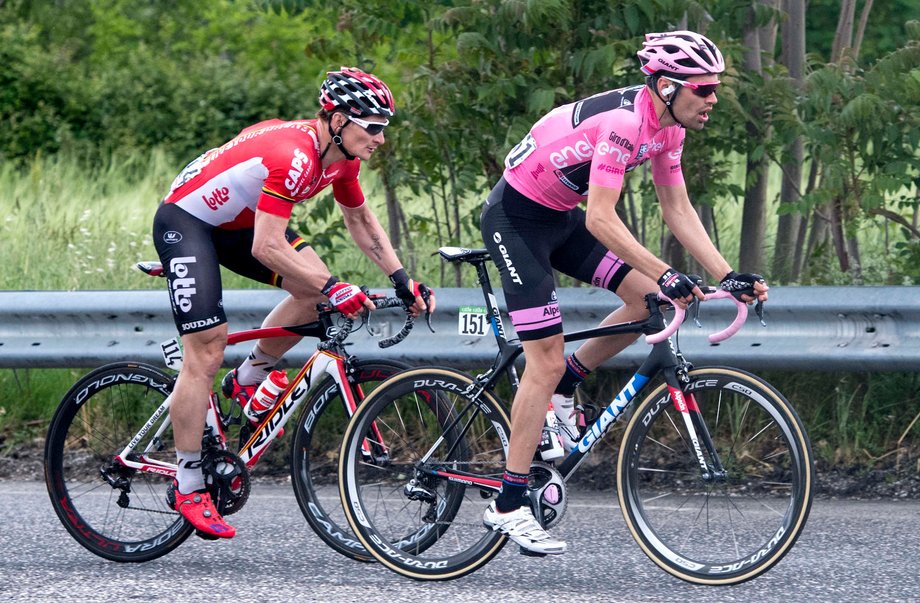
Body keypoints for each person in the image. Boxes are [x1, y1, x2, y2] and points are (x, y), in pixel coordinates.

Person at [479, 31, 768, 555]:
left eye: (715, 88)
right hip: (516, 220)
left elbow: (677, 210)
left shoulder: (668, 131)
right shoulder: (624, 125)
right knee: (541, 361)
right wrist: (667, 271)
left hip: (558, 218)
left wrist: (726, 274)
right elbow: (601, 217)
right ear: (666, 86)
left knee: (646, 301)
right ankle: (508, 504)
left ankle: (566, 386)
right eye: (704, 89)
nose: (713, 99)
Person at [152, 67, 434, 539]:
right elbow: (267, 246)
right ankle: (189, 482)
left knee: (315, 292)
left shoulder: (343, 157)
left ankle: (249, 378)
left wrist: (402, 279)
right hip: (189, 224)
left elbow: (360, 219)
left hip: (241, 223)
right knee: (206, 350)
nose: (382, 138)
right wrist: (337, 285)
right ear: (340, 119)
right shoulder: (296, 154)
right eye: (375, 126)